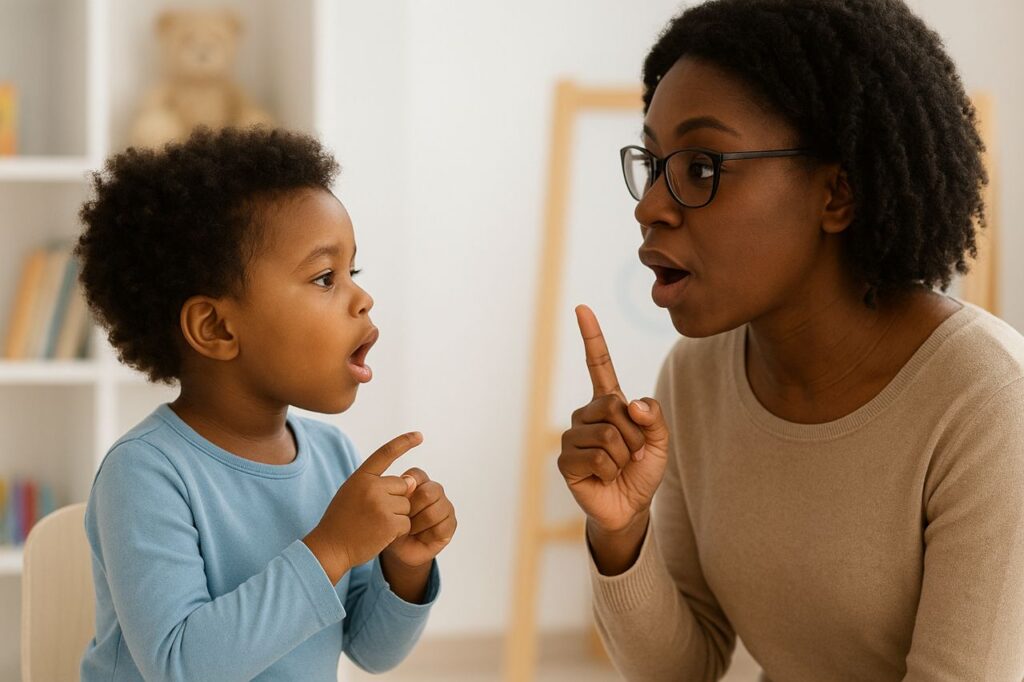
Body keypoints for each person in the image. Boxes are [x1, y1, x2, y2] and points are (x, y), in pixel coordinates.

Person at [557, 1, 1024, 680]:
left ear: (835, 195)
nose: (650, 206)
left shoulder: (989, 405)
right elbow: (682, 670)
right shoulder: (694, 378)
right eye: (654, 165)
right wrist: (622, 533)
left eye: (702, 168)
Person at [76, 127, 456, 681]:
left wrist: (405, 566)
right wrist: (329, 548)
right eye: (326, 277)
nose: (362, 297)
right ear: (216, 327)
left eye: (355, 272)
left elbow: (374, 652)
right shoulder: (144, 472)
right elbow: (181, 665)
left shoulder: (330, 456)